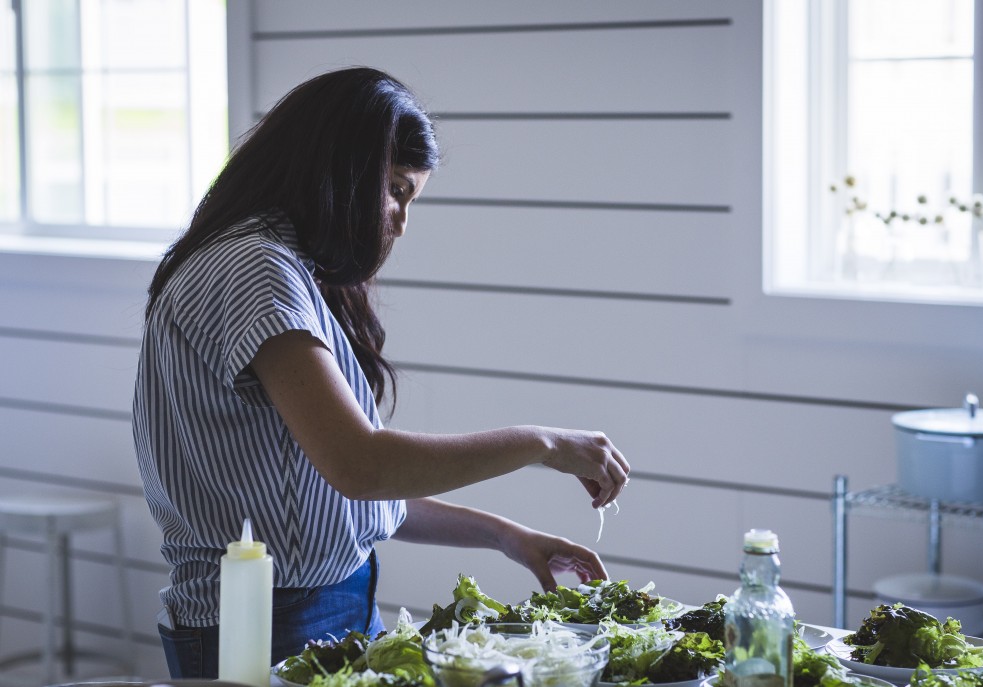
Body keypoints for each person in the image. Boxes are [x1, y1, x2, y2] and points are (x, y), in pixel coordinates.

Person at [132, 66, 630, 679]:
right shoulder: (251, 268)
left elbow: (342, 498)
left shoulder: (286, 266)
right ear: (336, 172)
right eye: (394, 188)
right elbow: (362, 465)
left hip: (330, 600)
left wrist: (505, 536)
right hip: (262, 620)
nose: (399, 218)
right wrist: (544, 443)